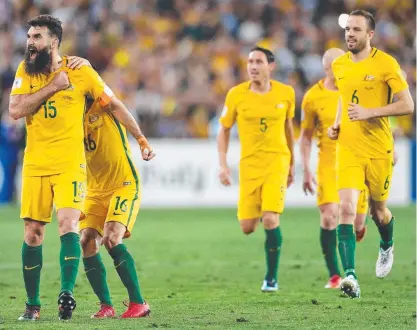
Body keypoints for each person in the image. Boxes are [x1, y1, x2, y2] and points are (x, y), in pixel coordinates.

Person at [9, 14, 148, 321]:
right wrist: (54, 87)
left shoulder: (81, 71)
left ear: (54, 41)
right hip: (35, 163)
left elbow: (112, 103)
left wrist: (139, 137)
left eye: (37, 37)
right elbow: (16, 109)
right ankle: (32, 306)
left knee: (70, 227)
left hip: (71, 164)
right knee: (33, 234)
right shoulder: (25, 71)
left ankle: (67, 293)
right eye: (29, 37)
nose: (30, 43)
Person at [328, 10, 414, 298]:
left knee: (379, 212)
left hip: (378, 149)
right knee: (348, 210)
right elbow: (344, 95)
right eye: (348, 29)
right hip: (348, 148)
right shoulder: (339, 64)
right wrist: (338, 122)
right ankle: (350, 276)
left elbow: (408, 105)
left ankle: (387, 244)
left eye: (356, 30)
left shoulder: (386, 64)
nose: (350, 34)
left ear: (370, 34)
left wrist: (370, 112)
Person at [217, 46, 295, 292]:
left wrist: (292, 162)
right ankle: (264, 207)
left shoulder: (286, 93)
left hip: (276, 162)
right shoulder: (236, 95)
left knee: (271, 219)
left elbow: (289, 128)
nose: (252, 66)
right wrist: (222, 164)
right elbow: (224, 129)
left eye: (258, 61)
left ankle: (271, 278)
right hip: (249, 165)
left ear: (270, 66)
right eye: (250, 61)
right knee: (247, 227)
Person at [79, 90, 155, 318]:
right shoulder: (70, 115)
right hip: (94, 189)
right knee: (86, 241)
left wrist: (141, 140)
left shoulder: (102, 102)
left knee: (112, 238)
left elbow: (122, 109)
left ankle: (138, 303)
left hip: (123, 183)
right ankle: (106, 306)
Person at [300, 48, 369, 290]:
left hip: (356, 160)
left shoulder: (357, 89)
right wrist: (306, 170)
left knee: (357, 224)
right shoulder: (312, 97)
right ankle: (336, 276)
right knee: (329, 217)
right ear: (327, 68)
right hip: (329, 164)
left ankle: (359, 228)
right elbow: (305, 136)